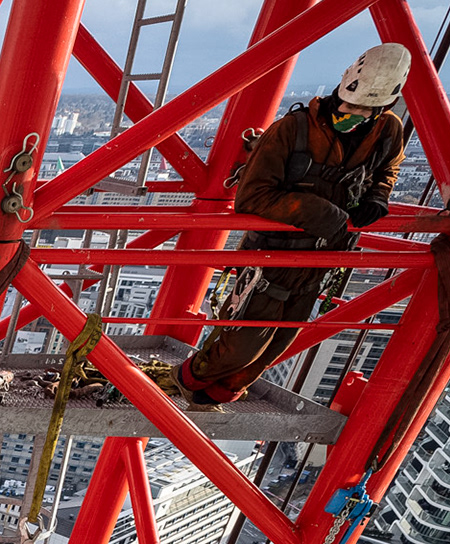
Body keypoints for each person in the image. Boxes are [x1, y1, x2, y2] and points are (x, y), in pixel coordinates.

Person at [167, 44, 410, 413]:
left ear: (381, 109)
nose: (355, 116)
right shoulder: (292, 130)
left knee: (278, 345)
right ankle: (184, 380)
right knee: (246, 342)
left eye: (365, 112)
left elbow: (387, 169)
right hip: (273, 253)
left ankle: (213, 396)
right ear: (340, 92)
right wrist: (322, 213)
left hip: (323, 256)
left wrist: (378, 196)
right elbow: (251, 197)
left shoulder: (387, 130)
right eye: (351, 108)